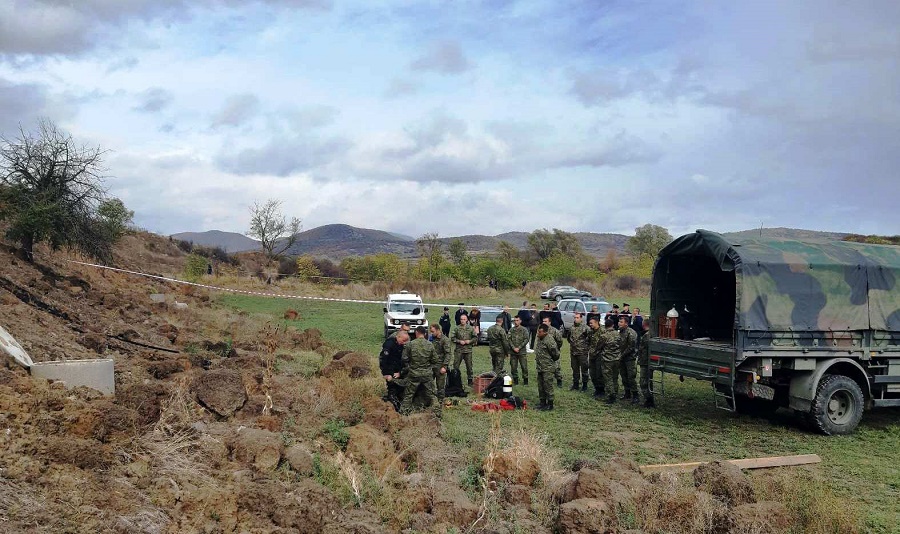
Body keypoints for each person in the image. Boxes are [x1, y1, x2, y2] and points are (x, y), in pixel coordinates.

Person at [400, 327, 441, 417]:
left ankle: (404, 413)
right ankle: (437, 412)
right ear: (425, 334)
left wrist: (411, 363)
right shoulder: (430, 345)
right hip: (427, 374)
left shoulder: (411, 344)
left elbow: (404, 358)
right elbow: (435, 360)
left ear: (416, 333)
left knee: (409, 394)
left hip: (414, 374)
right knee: (432, 394)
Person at [380, 331, 410, 407]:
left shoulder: (402, 345)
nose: (404, 343)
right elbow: (383, 360)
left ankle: (398, 401)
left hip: (399, 369)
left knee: (400, 388)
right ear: (398, 337)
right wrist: (386, 374)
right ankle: (393, 405)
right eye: (403, 340)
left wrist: (400, 372)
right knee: (392, 387)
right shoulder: (389, 344)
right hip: (390, 369)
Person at [534, 324, 560, 411]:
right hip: (540, 367)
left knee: (548, 386)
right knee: (540, 386)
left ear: (545, 332)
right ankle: (542, 402)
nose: (538, 333)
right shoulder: (539, 339)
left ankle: (550, 404)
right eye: (538, 331)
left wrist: (548, 361)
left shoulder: (549, 340)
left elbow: (556, 354)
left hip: (548, 367)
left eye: (540, 332)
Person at [566, 312, 591, 391]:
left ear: (581, 318)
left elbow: (590, 339)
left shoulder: (586, 328)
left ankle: (584, 385)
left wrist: (585, 347)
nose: (576, 319)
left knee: (584, 369)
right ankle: (575, 384)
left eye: (577, 318)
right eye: (575, 317)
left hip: (582, 353)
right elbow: (568, 338)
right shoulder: (571, 328)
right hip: (573, 352)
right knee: (575, 369)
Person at [451, 314, 477, 386]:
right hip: (459, 350)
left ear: (467, 320)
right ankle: (455, 380)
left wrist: (470, 341)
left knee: (469, 366)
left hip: (468, 350)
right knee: (456, 366)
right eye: (461, 319)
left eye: (464, 319)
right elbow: (452, 338)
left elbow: (475, 338)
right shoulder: (457, 328)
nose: (462, 321)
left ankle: (470, 380)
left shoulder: (471, 328)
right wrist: (459, 341)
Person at [618, 315, 639, 403]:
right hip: (621, 358)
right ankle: (627, 393)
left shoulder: (631, 333)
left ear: (626, 323)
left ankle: (635, 395)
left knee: (631, 377)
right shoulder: (621, 332)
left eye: (621, 322)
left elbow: (631, 347)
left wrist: (621, 355)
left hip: (629, 358)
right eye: (619, 321)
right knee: (624, 376)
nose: (619, 323)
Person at [600, 317, 621, 404]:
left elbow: (599, 346)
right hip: (617, 358)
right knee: (615, 377)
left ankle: (611, 395)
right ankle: (615, 392)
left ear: (605, 326)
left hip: (607, 359)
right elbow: (621, 344)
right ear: (613, 325)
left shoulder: (603, 336)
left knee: (608, 378)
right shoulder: (618, 334)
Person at [430, 323, 452, 402]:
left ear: (438, 330)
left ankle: (440, 401)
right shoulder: (431, 338)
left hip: (440, 365)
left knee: (440, 385)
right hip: (431, 364)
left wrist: (444, 366)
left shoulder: (444, 340)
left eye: (433, 331)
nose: (431, 333)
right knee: (429, 383)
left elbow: (448, 354)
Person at [541, 316, 564, 387]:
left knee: (556, 367)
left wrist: (556, 349)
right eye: (543, 321)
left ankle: (559, 380)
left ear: (549, 322)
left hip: (553, 352)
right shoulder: (541, 330)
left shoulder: (554, 331)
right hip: (544, 353)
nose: (544, 323)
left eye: (545, 321)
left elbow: (560, 341)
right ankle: (545, 380)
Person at [507, 315, 530, 385]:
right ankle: (515, 379)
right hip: (513, 352)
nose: (516, 322)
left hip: (522, 352)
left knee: (524, 366)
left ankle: (525, 380)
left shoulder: (524, 330)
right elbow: (509, 339)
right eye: (515, 321)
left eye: (517, 320)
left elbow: (526, 339)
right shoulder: (511, 330)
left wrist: (519, 347)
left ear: (520, 321)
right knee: (513, 367)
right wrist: (513, 348)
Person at [637, 320, 654, 407]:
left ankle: (649, 400)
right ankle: (649, 400)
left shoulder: (647, 336)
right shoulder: (650, 334)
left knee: (644, 382)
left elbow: (645, 349)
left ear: (644, 325)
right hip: (647, 362)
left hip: (646, 362)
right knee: (647, 381)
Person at [587, 317, 606, 399]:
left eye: (591, 323)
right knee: (592, 373)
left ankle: (601, 390)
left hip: (600, 355)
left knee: (599, 373)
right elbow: (589, 341)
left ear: (597, 322)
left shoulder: (603, 331)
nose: (590, 325)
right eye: (590, 323)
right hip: (592, 355)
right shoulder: (591, 331)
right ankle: (597, 389)